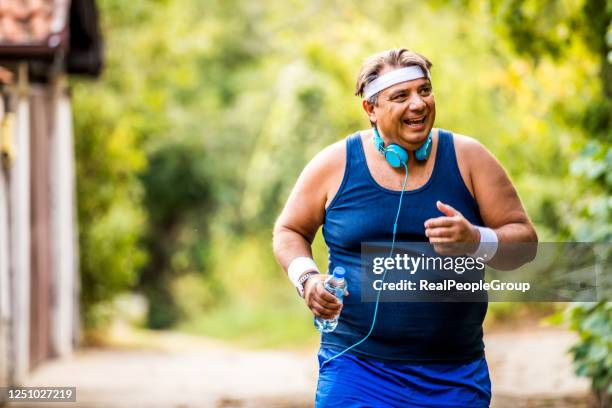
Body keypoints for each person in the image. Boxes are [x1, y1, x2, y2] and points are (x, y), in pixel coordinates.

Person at [272, 48, 537, 407]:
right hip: (356, 369)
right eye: (401, 96)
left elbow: (525, 244)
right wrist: (307, 278)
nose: (419, 104)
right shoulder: (334, 165)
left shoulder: (470, 158)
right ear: (370, 109)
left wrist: (476, 240)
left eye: (424, 91)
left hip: (454, 374)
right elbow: (289, 230)